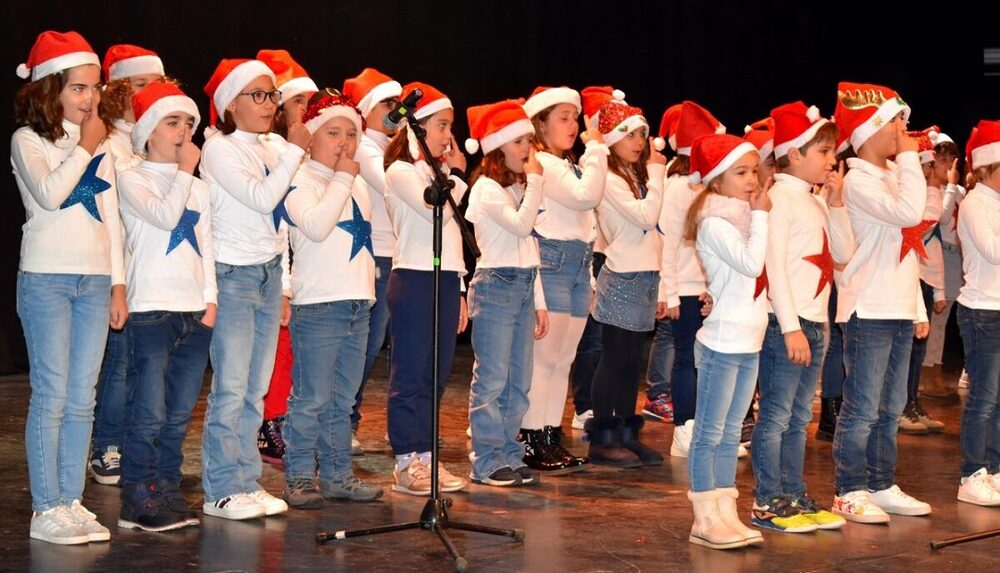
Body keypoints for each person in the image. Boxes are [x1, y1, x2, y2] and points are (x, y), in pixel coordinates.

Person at [13, 30, 127, 544]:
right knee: (53, 394)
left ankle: (71, 500)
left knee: (83, 397)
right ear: (50, 89)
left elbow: (113, 220)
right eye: (79, 89)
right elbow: (51, 194)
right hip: (47, 279)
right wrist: (84, 147)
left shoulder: (101, 144)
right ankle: (45, 509)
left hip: (95, 277)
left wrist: (118, 284)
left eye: (94, 88)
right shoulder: (28, 140)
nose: (90, 99)